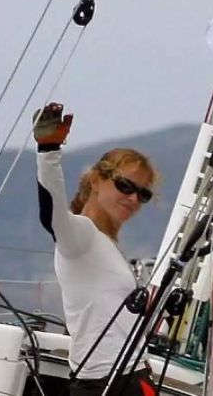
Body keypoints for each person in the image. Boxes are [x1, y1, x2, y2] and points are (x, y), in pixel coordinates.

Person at [34, 102, 159, 396]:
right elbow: (51, 216)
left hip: (130, 377)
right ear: (96, 180)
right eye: (125, 186)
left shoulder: (108, 245)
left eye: (143, 194)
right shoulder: (81, 234)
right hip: (105, 383)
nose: (133, 199)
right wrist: (48, 150)